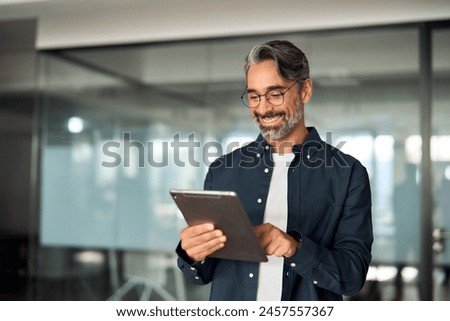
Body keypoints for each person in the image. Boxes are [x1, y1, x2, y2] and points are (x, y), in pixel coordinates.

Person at [175, 40, 373, 300]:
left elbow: (351, 277)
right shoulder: (222, 170)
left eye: (275, 94)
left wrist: (295, 248)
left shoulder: (347, 174)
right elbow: (201, 273)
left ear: (305, 91)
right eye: (254, 96)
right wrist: (191, 253)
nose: (263, 108)